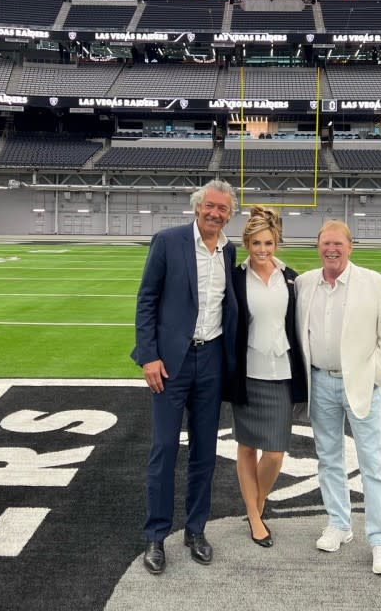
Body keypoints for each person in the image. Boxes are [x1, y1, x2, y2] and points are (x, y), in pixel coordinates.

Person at [132, 180, 238, 575]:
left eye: (222, 209)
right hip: (171, 363)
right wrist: (149, 356)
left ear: (230, 213)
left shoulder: (229, 249)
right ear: (197, 207)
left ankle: (195, 530)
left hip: (210, 359)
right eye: (210, 206)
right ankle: (156, 535)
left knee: (204, 452)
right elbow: (146, 300)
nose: (215, 213)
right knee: (163, 449)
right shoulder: (169, 241)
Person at [295, 220, 381, 576]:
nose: (332, 249)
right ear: (318, 246)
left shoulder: (375, 283)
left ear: (350, 246)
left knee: (373, 463)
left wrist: (374, 377)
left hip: (360, 384)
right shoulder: (306, 283)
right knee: (328, 459)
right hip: (320, 382)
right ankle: (339, 524)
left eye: (338, 243)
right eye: (326, 243)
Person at [231, 206, 307, 547]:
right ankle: (254, 516)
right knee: (247, 447)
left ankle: (256, 505)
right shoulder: (235, 277)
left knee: (275, 454)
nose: (262, 250)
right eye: (256, 243)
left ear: (277, 243)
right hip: (246, 373)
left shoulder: (291, 277)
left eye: (269, 243)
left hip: (281, 372)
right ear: (247, 241)